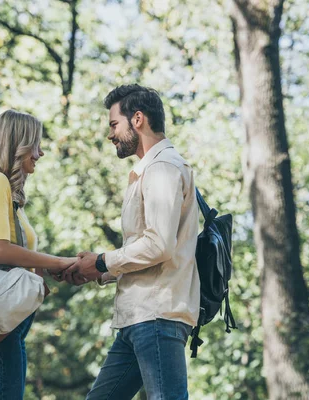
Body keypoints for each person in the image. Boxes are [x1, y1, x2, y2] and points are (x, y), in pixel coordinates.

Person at [61, 84, 201, 400]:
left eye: (114, 124)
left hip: (157, 316)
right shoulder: (148, 170)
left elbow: (159, 246)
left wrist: (100, 261)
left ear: (137, 119)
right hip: (137, 319)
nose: (110, 135)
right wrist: (99, 271)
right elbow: (147, 249)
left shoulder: (162, 169)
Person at [0, 109, 76, 400]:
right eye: (35, 144)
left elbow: (15, 254)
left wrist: (46, 269)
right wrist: (60, 262)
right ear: (16, 144)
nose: (40, 153)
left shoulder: (7, 192)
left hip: (8, 323)